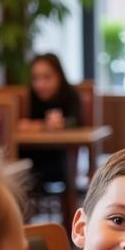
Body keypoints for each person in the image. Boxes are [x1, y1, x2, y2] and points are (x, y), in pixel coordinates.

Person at [24, 53, 83, 187]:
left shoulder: (70, 95)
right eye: (35, 78)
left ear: (59, 76)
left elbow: (77, 121)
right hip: (30, 158)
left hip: (60, 160)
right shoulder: (29, 97)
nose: (40, 84)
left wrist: (62, 123)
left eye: (47, 77)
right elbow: (22, 123)